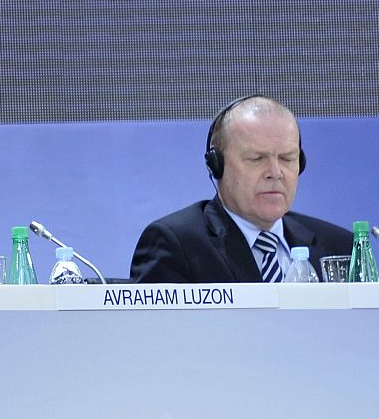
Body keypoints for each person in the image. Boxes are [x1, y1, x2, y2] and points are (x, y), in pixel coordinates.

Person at [130, 95, 351, 283]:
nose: (275, 172)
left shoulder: (340, 246)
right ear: (217, 165)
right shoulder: (177, 245)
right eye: (256, 158)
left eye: (287, 158)